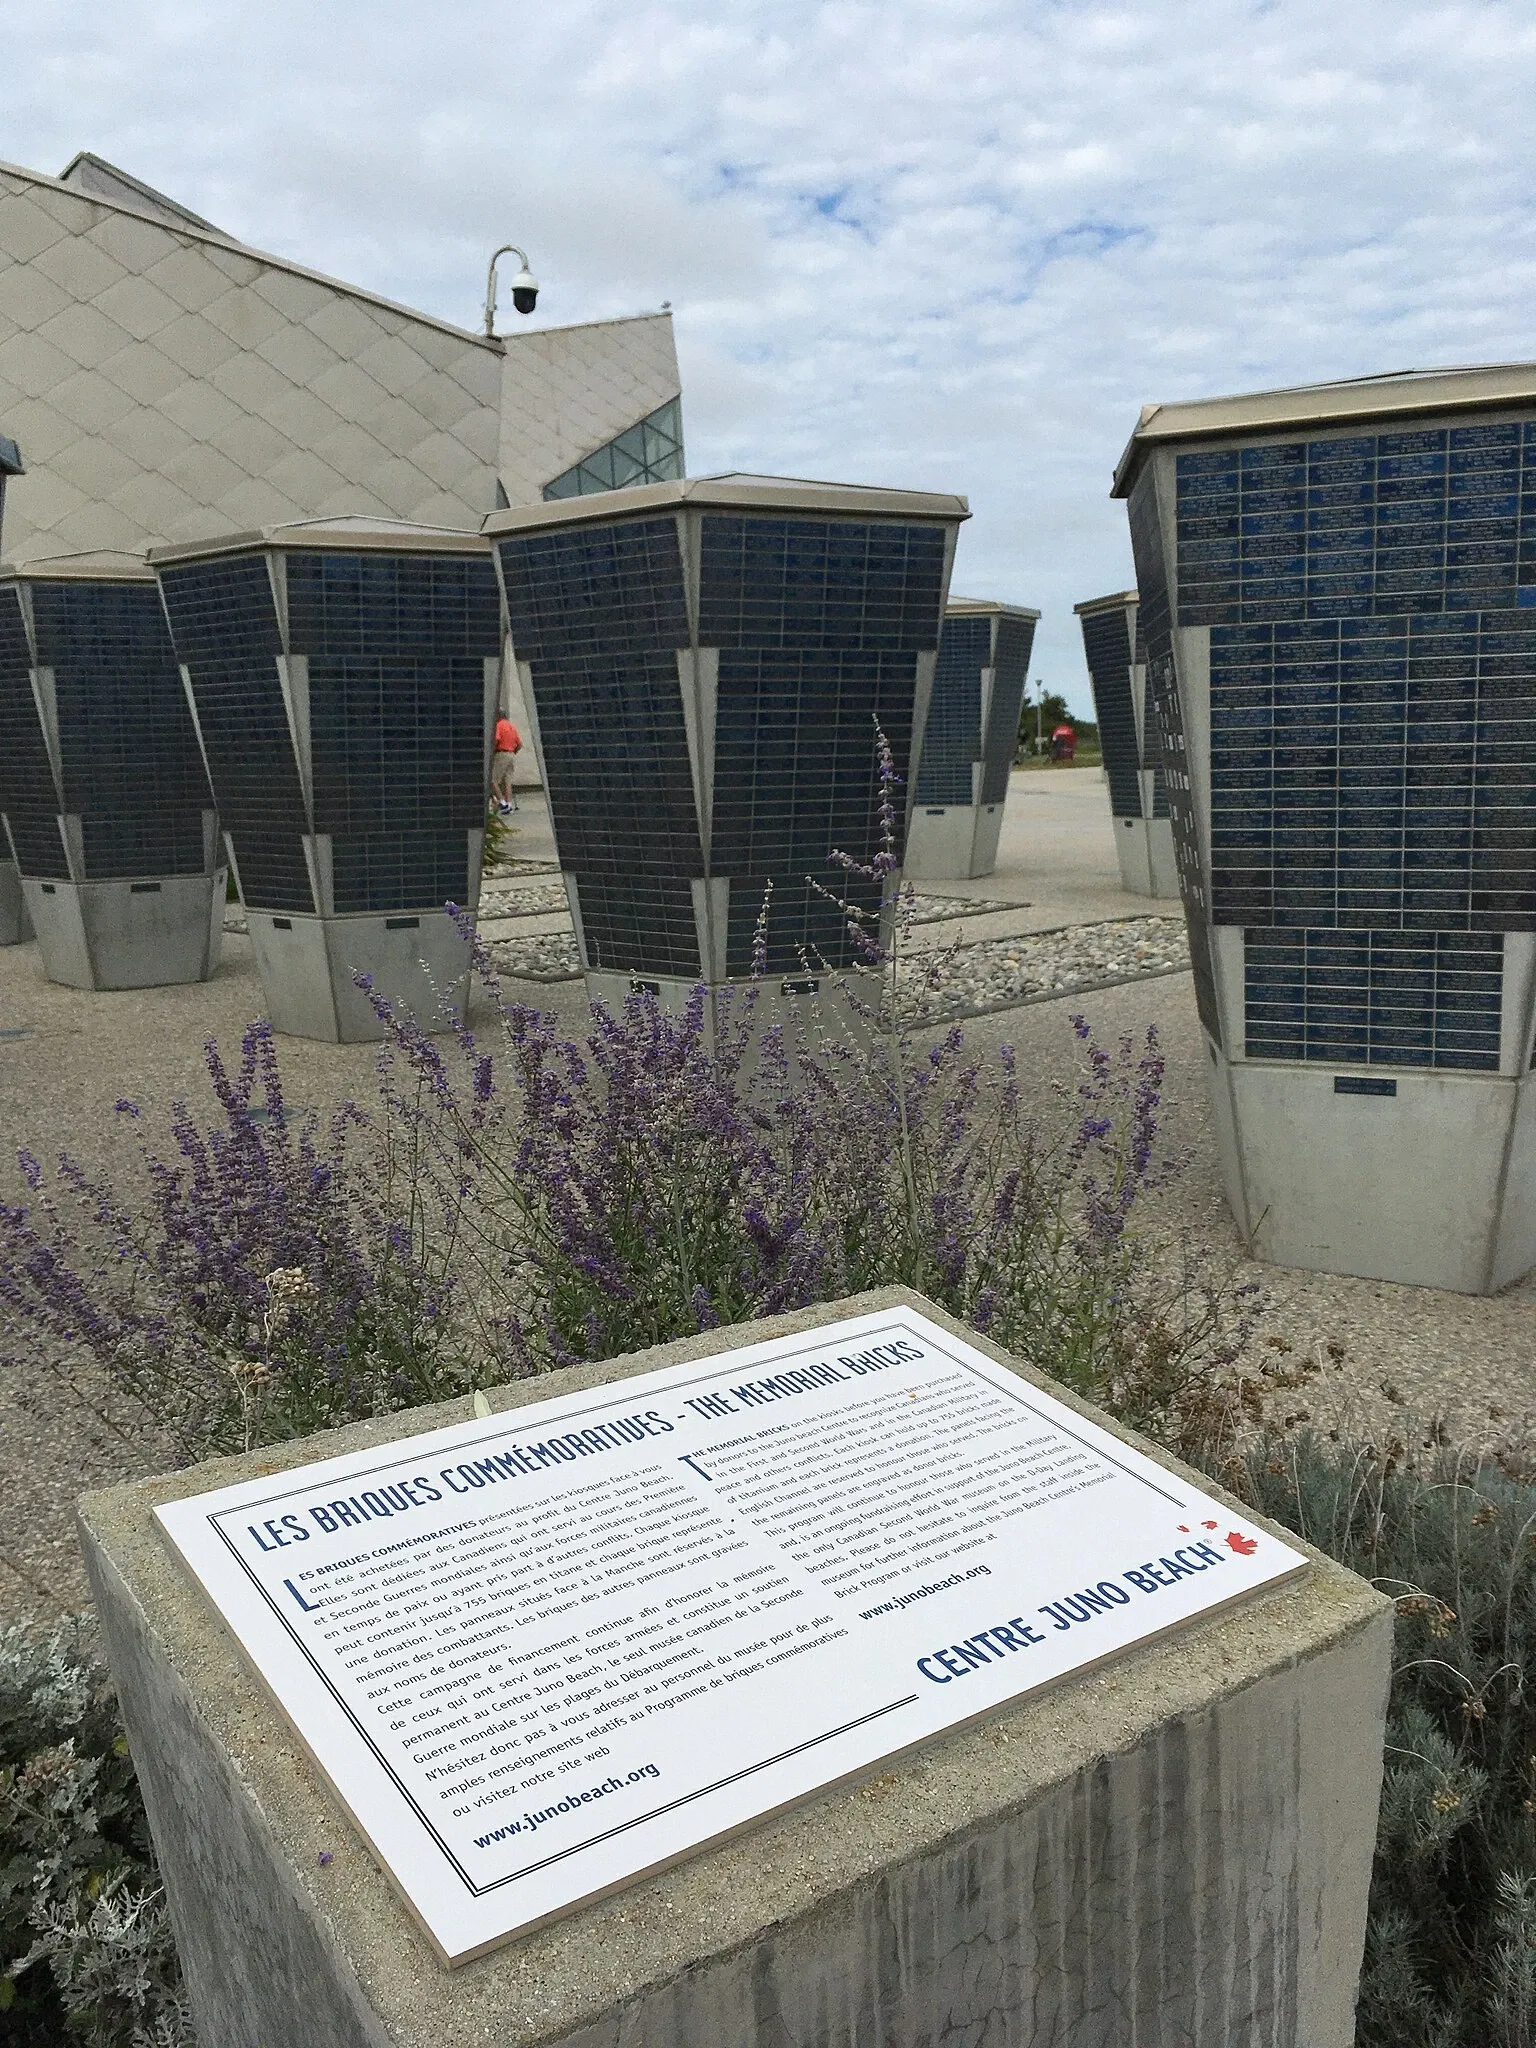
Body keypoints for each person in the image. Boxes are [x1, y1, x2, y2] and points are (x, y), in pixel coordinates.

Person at [491, 713, 522, 813]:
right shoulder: (511, 726)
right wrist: (513, 752)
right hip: (511, 754)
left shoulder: (499, 725)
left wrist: (491, 751)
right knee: (507, 781)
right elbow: (520, 744)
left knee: (492, 780)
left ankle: (502, 803)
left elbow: (496, 739)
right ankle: (509, 804)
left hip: (501, 753)